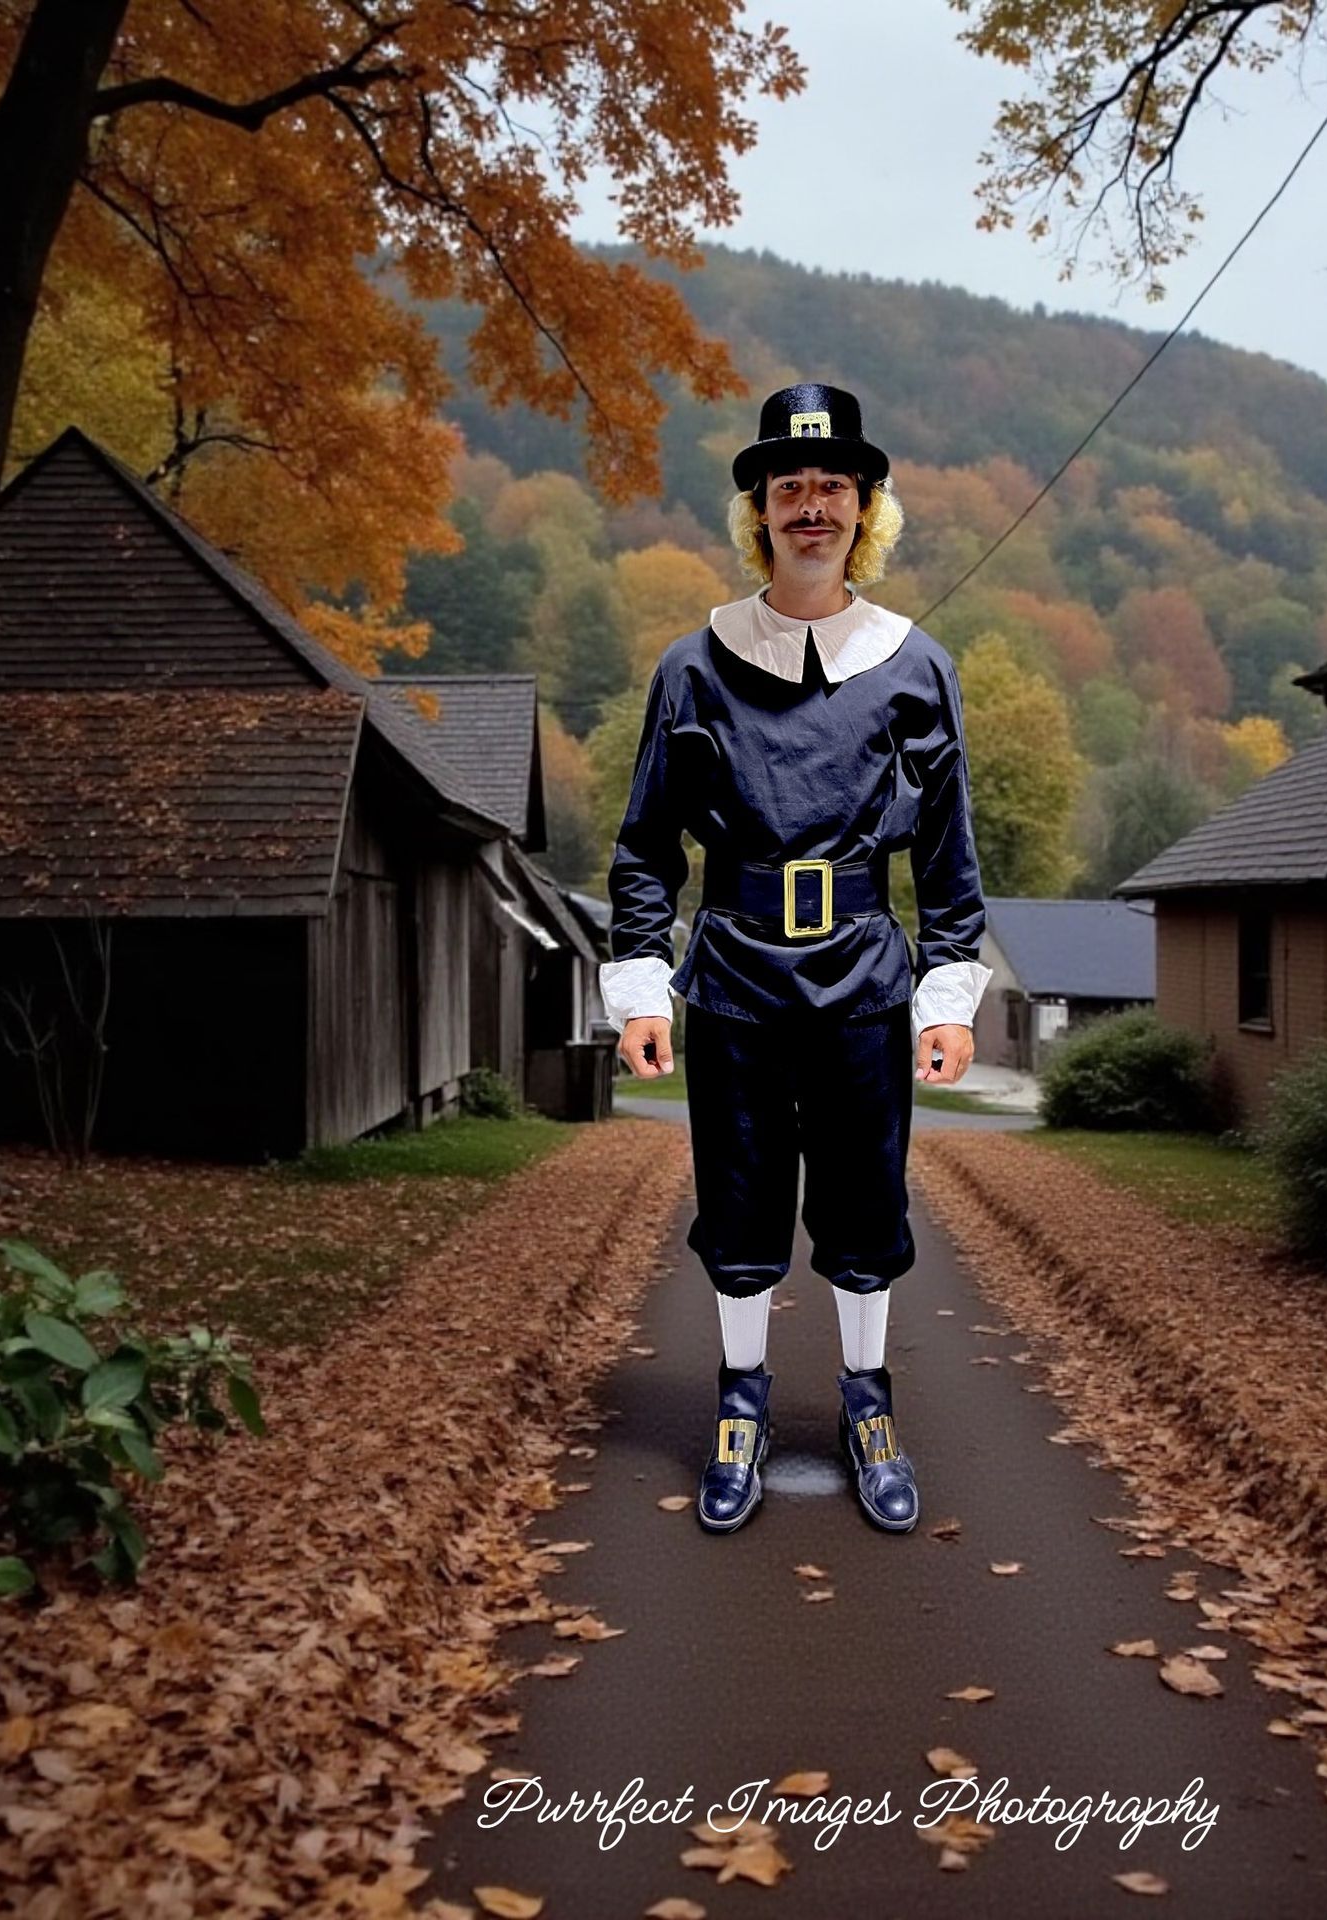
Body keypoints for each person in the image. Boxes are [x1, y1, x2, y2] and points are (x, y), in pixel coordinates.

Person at [599, 383, 991, 1536]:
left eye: (831, 488)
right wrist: (638, 985)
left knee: (865, 1204)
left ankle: (868, 1405)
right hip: (732, 976)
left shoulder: (917, 668)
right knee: (742, 1201)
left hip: (866, 973)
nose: (810, 507)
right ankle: (743, 1404)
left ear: (864, 508)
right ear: (759, 512)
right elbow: (641, 847)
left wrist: (949, 994)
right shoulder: (694, 667)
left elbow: (950, 858)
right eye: (788, 489)